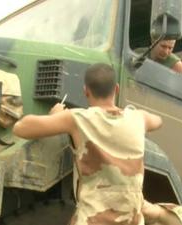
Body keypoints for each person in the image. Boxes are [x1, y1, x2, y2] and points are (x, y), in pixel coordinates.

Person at [13, 63, 162, 225]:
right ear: (116, 89)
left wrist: (53, 116)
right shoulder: (139, 118)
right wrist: (132, 114)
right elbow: (158, 121)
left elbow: (20, 128)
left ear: (86, 91)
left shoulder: (77, 119)